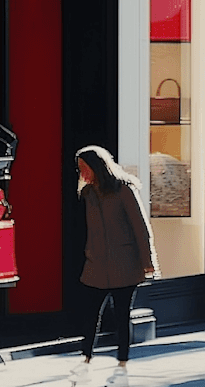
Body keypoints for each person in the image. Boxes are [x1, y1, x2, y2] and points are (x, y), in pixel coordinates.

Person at [70, 146, 158, 387]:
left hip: (125, 264)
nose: (82, 174)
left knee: (121, 316)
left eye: (84, 168)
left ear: (96, 167)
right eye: (80, 169)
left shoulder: (124, 190)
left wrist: (148, 263)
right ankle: (85, 360)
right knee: (90, 315)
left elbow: (141, 228)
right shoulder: (88, 193)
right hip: (96, 264)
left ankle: (122, 366)